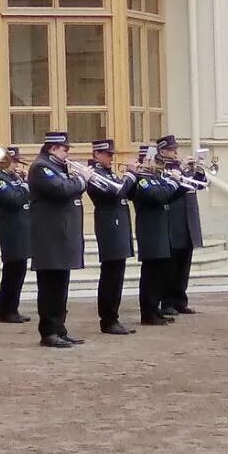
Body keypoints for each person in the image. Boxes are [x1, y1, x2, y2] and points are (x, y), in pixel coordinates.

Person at [28, 131, 93, 349]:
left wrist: (76, 179)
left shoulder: (58, 167)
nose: (67, 154)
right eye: (65, 149)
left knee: (61, 287)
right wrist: (82, 179)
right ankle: (48, 332)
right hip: (49, 238)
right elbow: (61, 189)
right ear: (52, 148)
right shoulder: (41, 167)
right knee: (50, 288)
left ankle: (60, 329)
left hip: (62, 236)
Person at [86, 139, 138, 335]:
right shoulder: (95, 174)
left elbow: (126, 193)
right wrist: (130, 176)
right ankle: (108, 319)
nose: (111, 158)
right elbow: (115, 193)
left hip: (118, 226)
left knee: (117, 274)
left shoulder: (107, 172)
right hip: (109, 227)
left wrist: (133, 178)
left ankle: (113, 317)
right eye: (108, 155)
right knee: (111, 275)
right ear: (97, 154)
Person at [130, 145, 182, 326]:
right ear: (145, 160)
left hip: (161, 230)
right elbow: (159, 196)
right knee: (151, 275)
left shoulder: (155, 178)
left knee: (160, 274)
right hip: (150, 231)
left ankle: (156, 309)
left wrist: (180, 183)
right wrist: (174, 183)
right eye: (154, 161)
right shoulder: (142, 181)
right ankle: (148, 312)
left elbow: (168, 196)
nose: (157, 164)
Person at [156, 133, 205, 315]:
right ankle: (167, 302)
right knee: (171, 264)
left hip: (188, 219)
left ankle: (180, 300)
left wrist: (199, 170)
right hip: (172, 218)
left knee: (184, 263)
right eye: (171, 150)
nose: (175, 153)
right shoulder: (160, 167)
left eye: (175, 149)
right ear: (162, 151)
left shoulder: (181, 167)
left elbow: (198, 185)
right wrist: (181, 167)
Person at [0, 147, 32, 324]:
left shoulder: (14, 177)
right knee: (12, 271)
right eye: (14, 162)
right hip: (10, 229)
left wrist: (22, 184)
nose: (17, 166)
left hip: (23, 228)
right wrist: (25, 186)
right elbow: (12, 199)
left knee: (19, 270)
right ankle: (6, 310)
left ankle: (13, 308)